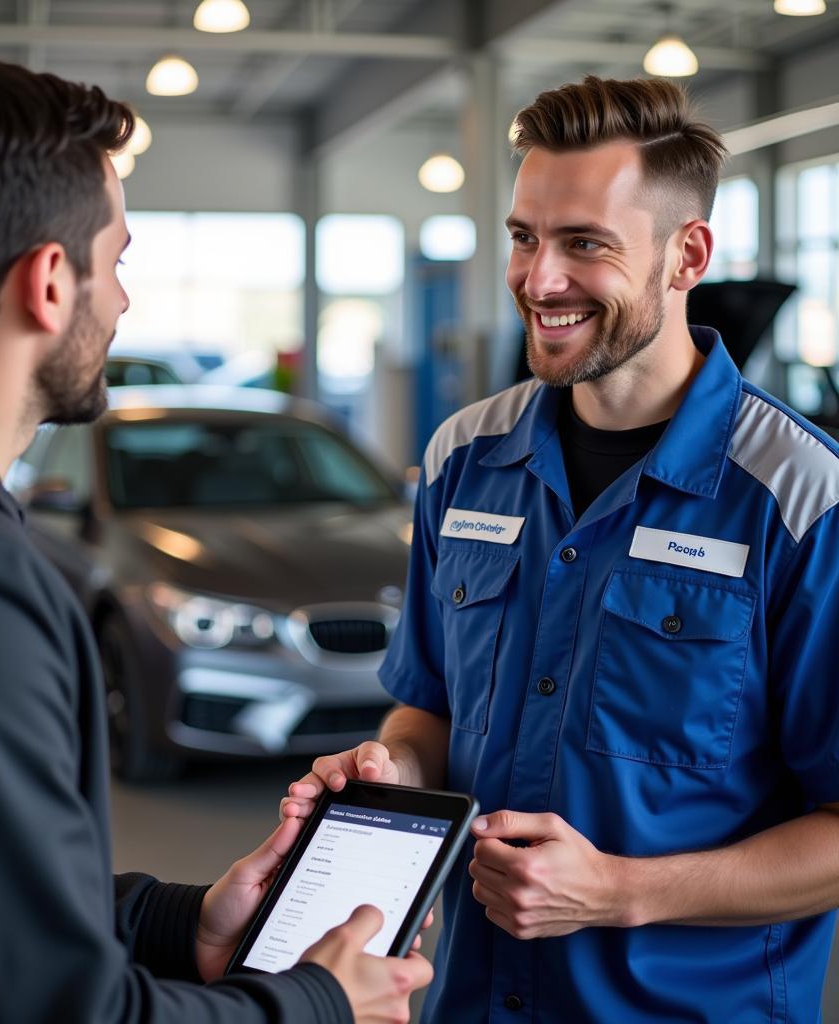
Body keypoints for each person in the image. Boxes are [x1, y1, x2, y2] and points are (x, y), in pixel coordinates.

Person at [0, 57, 432, 1024]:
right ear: (51, 283)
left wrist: (172, 923)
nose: (126, 301)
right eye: (119, 260)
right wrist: (319, 1006)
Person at [283, 75, 839, 1022]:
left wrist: (621, 892)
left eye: (585, 243)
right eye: (524, 237)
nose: (540, 279)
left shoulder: (799, 499)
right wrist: (389, 775)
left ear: (685, 254)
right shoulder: (464, 460)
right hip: (473, 998)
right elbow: (426, 713)